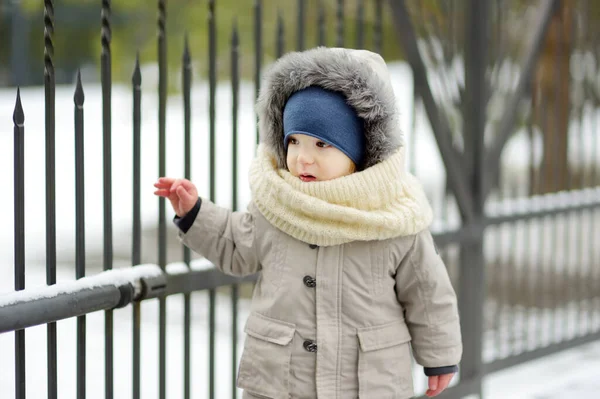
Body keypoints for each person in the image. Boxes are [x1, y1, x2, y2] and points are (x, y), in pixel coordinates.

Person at [154, 47, 462, 399]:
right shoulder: (277, 206)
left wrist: (439, 356)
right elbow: (236, 245)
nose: (303, 157)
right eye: (294, 141)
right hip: (282, 384)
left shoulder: (393, 217)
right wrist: (195, 212)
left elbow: (426, 291)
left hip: (367, 384)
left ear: (359, 152)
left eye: (321, 144)